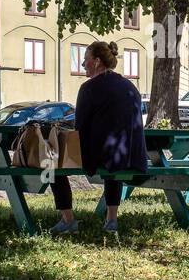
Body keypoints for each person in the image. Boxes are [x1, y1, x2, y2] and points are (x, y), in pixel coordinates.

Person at [50, 40, 147, 235]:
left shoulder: (89, 88)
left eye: (85, 60)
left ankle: (68, 220)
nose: (83, 64)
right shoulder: (130, 86)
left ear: (96, 61)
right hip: (132, 156)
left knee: (50, 163)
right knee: (112, 161)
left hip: (102, 156)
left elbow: (79, 128)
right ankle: (111, 219)